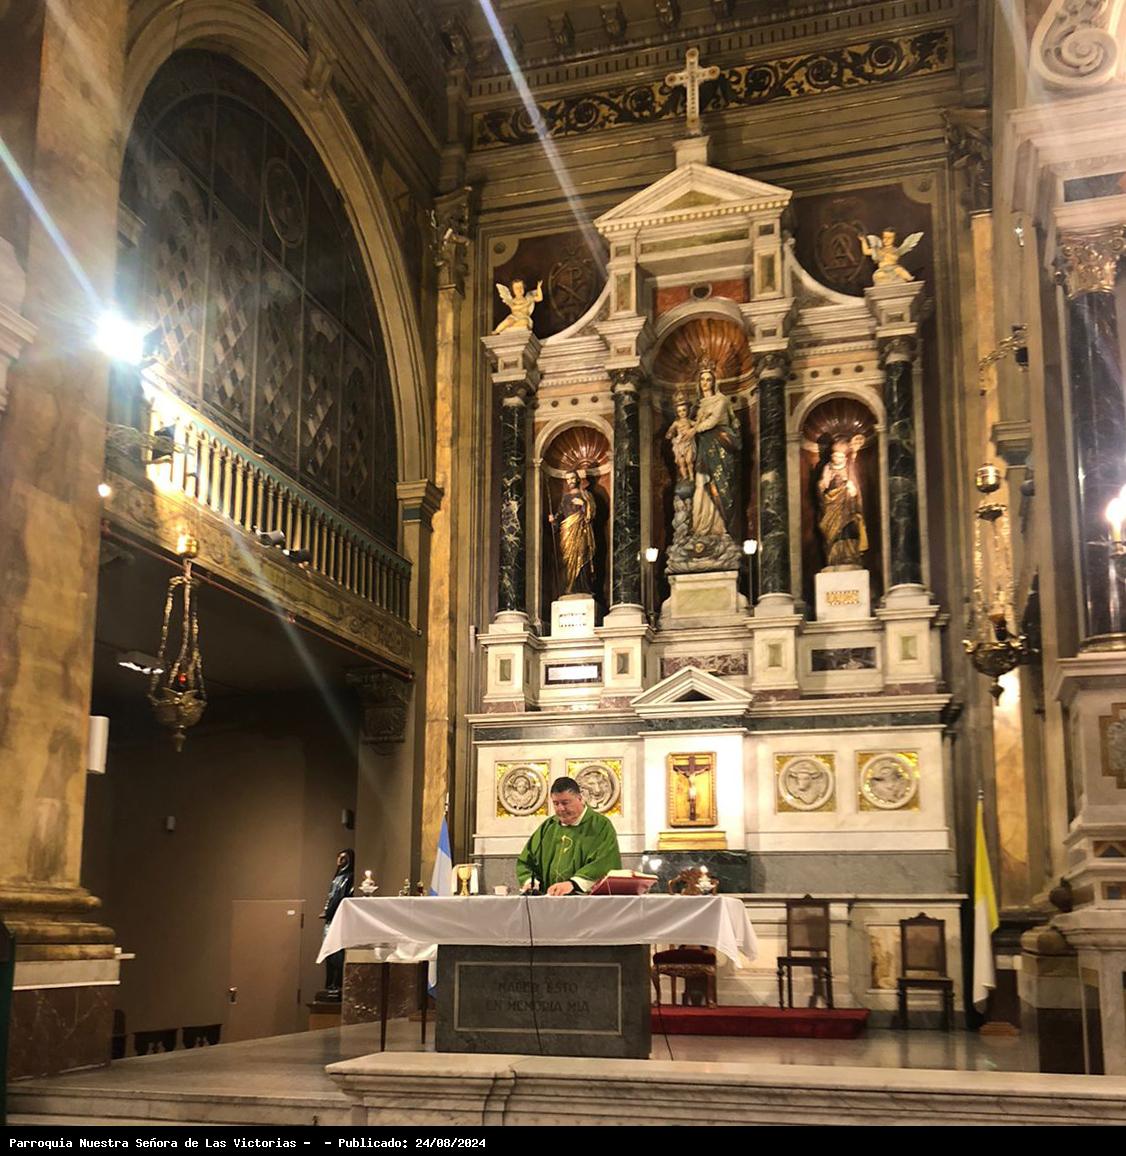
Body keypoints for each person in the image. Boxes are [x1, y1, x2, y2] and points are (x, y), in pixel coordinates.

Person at [516, 777, 621, 895]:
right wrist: (531, 882)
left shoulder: (599, 825)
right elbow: (526, 862)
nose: (561, 808)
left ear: (580, 798)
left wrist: (573, 884)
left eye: (565, 803)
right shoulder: (548, 827)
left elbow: (604, 863)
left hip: (585, 901)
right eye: (556, 803)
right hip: (549, 901)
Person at [690, 364, 741, 539]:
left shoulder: (721, 400)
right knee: (701, 484)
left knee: (720, 484)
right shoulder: (697, 406)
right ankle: (701, 527)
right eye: (702, 380)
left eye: (708, 380)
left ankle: (721, 528)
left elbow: (713, 421)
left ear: (714, 382)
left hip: (720, 446)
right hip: (704, 448)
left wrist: (693, 430)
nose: (705, 383)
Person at [816, 436, 868, 569]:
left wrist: (851, 489)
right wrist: (822, 485)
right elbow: (822, 487)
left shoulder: (850, 468)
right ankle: (834, 558)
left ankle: (850, 556)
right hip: (831, 506)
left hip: (847, 507)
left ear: (844, 458)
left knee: (849, 531)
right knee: (831, 534)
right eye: (835, 456)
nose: (837, 459)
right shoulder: (827, 468)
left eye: (840, 457)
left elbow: (855, 489)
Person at [549, 470, 597, 595]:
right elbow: (560, 514)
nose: (570, 481)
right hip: (567, 532)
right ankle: (569, 587)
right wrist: (554, 520)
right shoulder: (565, 497)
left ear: (577, 479)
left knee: (582, 555)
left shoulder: (586, 495)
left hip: (581, 531)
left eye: (572, 478)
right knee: (567, 559)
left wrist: (584, 504)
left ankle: (584, 588)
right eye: (568, 479)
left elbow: (592, 514)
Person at [319, 848, 354, 999]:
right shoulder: (338, 877)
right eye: (339, 857)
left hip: (336, 920)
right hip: (331, 919)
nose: (340, 861)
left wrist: (329, 912)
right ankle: (331, 984)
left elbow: (338, 898)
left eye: (344, 858)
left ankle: (336, 984)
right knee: (329, 952)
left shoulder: (346, 877)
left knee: (335, 953)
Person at [666, 397, 697, 481]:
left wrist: (693, 429)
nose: (682, 413)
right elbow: (670, 430)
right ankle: (685, 477)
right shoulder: (676, 423)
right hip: (679, 444)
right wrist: (670, 434)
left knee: (689, 460)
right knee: (681, 462)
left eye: (684, 410)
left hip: (688, 443)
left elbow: (697, 425)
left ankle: (691, 476)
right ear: (677, 413)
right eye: (679, 411)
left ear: (687, 411)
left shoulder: (689, 421)